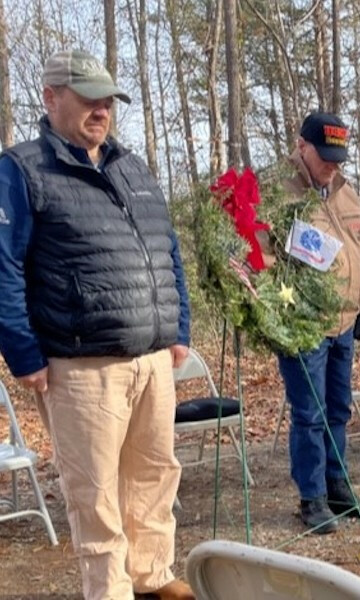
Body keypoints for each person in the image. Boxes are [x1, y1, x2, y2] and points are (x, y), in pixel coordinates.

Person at [0, 50, 192, 600]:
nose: (101, 109)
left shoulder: (132, 165)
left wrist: (179, 326)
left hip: (152, 359)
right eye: (88, 97)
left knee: (157, 475)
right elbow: (4, 266)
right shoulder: (21, 170)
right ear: (51, 96)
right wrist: (24, 353)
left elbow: (166, 246)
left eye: (107, 99)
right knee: (96, 495)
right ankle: (109, 591)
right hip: (82, 367)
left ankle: (152, 575)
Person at [276, 112, 360, 534]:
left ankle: (337, 484)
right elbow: (264, 263)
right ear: (302, 146)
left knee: (337, 408)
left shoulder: (345, 193)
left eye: (339, 158)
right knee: (309, 413)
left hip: (345, 322)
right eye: (325, 156)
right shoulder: (280, 194)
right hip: (305, 325)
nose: (332, 165)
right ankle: (311, 496)